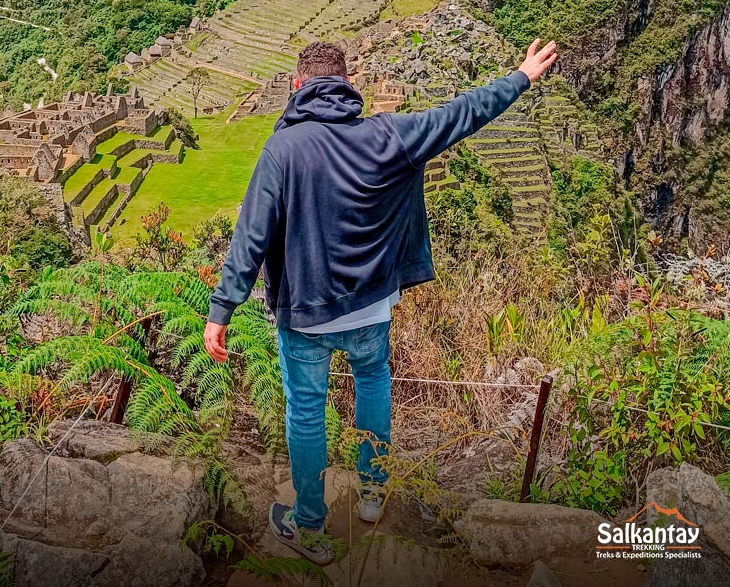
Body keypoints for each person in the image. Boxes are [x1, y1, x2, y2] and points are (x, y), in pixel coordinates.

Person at [204, 36, 558, 564]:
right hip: (371, 305)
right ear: (348, 86)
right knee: (372, 382)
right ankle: (372, 493)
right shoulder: (389, 134)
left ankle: (311, 526)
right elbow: (462, 114)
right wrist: (522, 77)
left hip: (306, 313)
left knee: (306, 411)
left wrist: (221, 310)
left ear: (297, 87)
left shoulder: (283, 149)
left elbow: (251, 235)